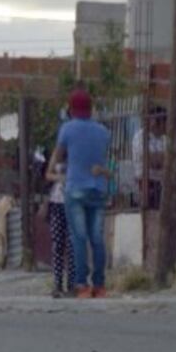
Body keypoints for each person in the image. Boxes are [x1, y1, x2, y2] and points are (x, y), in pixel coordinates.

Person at [48, 88, 111, 299]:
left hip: (75, 189)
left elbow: (57, 157)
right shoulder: (103, 131)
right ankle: (100, 285)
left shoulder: (67, 129)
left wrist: (56, 170)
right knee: (97, 238)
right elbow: (105, 159)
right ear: (91, 109)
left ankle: (82, 285)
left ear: (71, 109)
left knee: (79, 238)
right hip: (99, 188)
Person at [44, 158, 74, 298]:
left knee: (72, 244)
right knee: (58, 244)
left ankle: (72, 284)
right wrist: (61, 177)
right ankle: (57, 284)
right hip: (56, 203)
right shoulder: (58, 153)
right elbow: (48, 174)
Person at [131, 106, 168, 210]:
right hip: (146, 184)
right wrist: (161, 157)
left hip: (162, 185)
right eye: (164, 123)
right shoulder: (140, 137)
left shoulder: (165, 139)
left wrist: (160, 158)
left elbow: (170, 160)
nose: (166, 127)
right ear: (156, 123)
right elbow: (150, 161)